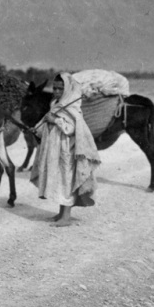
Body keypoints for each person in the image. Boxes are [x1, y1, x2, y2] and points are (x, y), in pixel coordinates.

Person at [30, 73, 101, 227]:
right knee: (60, 180)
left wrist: (55, 120)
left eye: (60, 89)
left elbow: (71, 128)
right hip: (54, 148)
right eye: (54, 88)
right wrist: (38, 128)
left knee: (66, 180)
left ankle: (66, 217)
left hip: (66, 148)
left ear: (67, 89)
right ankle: (61, 213)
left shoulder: (72, 106)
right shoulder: (56, 103)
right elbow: (47, 122)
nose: (56, 91)